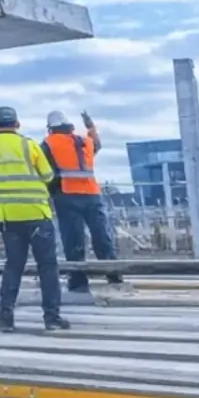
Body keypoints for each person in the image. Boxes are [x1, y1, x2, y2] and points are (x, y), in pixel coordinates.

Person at [0, 102, 68, 333]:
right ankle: (51, 319)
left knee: (13, 266)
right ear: (17, 124)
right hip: (37, 214)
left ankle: (6, 319)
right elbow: (48, 175)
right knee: (47, 267)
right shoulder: (29, 145)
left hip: (9, 217)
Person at [42, 109, 123, 293]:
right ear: (69, 126)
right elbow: (97, 144)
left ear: (51, 128)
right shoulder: (84, 141)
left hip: (67, 195)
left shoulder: (48, 143)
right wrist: (90, 125)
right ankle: (114, 276)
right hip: (92, 194)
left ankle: (78, 282)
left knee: (74, 240)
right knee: (102, 236)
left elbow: (43, 168)